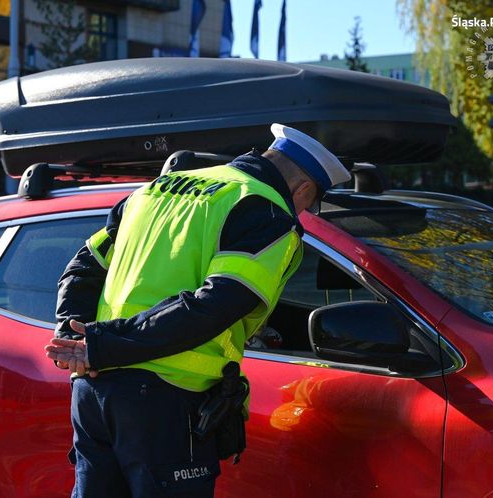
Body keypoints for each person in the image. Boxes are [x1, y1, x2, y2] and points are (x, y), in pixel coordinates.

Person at [45, 123, 351, 498]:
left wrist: (76, 336)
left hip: (93, 390)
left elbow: (83, 268)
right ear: (304, 189)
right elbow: (215, 305)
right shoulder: (264, 211)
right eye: (309, 203)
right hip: (166, 399)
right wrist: (100, 345)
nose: (303, 211)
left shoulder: (154, 189)